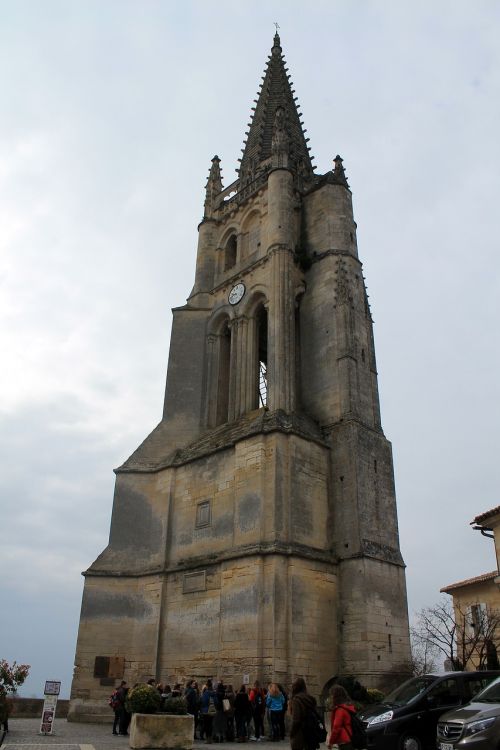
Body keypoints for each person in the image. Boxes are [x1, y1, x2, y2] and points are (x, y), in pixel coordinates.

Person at [289, 677, 317, 750]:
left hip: (300, 731)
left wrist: (292, 732)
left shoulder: (296, 700)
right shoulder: (310, 698)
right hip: (310, 729)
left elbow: (296, 719)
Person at [327, 685, 356, 750]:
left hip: (344, 741)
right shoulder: (347, 707)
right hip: (349, 739)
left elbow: (336, 727)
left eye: (331, 695)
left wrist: (331, 742)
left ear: (335, 696)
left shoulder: (340, 710)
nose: (330, 698)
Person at [200, 679, 218, 743]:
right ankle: (210, 738)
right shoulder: (214, 693)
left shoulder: (205, 693)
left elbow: (203, 701)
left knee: (206, 725)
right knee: (210, 724)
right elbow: (216, 702)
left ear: (207, 686)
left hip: (205, 711)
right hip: (212, 710)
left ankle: (207, 738)